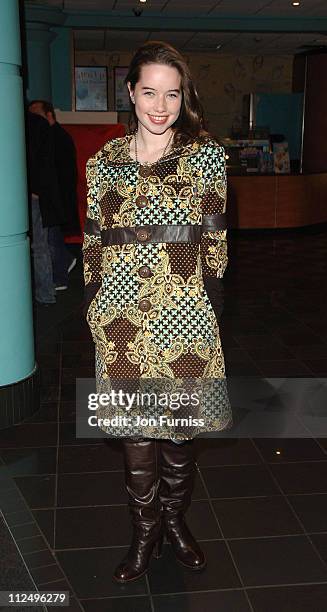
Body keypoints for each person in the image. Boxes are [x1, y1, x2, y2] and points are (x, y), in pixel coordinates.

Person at [82, 41, 232, 584]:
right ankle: (144, 530)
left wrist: (210, 306)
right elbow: (95, 239)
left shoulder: (206, 156)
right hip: (121, 321)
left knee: (179, 433)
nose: (161, 105)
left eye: (172, 94)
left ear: (182, 96)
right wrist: (94, 303)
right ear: (131, 92)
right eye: (150, 92)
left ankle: (174, 522)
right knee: (135, 434)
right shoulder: (104, 165)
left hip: (184, 314)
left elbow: (215, 238)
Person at [29, 100, 79, 290]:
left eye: (36, 114)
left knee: (50, 239)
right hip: (55, 197)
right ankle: (61, 272)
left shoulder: (53, 137)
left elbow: (59, 172)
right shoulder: (56, 135)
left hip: (54, 197)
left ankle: (60, 274)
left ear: (49, 115)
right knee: (51, 237)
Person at [26, 110, 61, 305]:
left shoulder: (29, 124)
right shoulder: (39, 125)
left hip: (32, 194)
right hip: (38, 194)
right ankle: (46, 293)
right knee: (41, 246)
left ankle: (45, 293)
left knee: (40, 246)